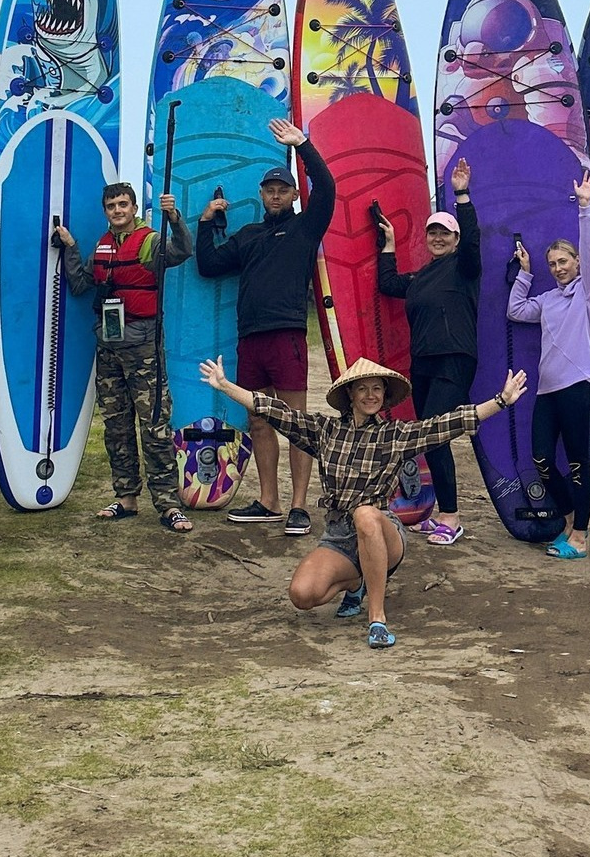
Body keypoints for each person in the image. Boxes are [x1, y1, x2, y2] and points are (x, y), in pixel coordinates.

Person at [199, 353, 527, 648]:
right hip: (339, 536)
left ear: (384, 396)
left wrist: (500, 401)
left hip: (383, 531)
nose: (371, 395)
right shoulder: (324, 430)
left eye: (377, 389)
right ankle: (358, 580)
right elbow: (275, 412)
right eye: (363, 389)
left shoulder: (395, 434)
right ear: (350, 396)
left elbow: (446, 424)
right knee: (302, 595)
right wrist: (226, 385)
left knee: (366, 515)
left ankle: (377, 618)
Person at [196, 118, 336, 537]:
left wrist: (303, 145)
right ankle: (269, 501)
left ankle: (298, 506)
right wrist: (205, 223)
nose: (276, 194)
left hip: (287, 335)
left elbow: (327, 191)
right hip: (250, 339)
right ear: (261, 194)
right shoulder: (249, 234)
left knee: (296, 423)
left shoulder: (305, 228)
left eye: (283, 189)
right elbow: (208, 265)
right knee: (258, 421)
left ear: (293, 195)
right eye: (270, 189)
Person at [58, 182, 195, 534]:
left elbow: (182, 252)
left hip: (144, 349)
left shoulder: (150, 241)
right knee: (117, 428)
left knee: (155, 427)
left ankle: (168, 504)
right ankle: (126, 497)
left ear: (133, 207)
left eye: (123, 204)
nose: (117, 210)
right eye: (111, 206)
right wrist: (71, 248)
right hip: (108, 350)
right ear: (105, 210)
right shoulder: (103, 246)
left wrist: (174, 217)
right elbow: (81, 283)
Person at [376, 157, 479, 546]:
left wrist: (462, 195)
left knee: (435, 436)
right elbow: (387, 283)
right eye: (433, 232)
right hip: (422, 364)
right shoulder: (420, 277)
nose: (438, 238)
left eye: (445, 234)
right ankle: (439, 512)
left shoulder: (465, 267)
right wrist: (387, 245)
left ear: (454, 241)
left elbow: (472, 241)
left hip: (455, 358)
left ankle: (451, 516)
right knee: (425, 437)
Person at [507, 171, 590, 559]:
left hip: (578, 386)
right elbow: (515, 310)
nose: (558, 267)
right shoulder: (547, 299)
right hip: (547, 392)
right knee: (542, 458)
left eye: (563, 261)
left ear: (577, 263)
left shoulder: (588, 294)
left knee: (579, 463)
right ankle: (568, 519)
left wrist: (585, 208)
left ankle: (580, 536)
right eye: (553, 263)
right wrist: (527, 273)